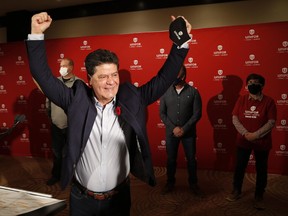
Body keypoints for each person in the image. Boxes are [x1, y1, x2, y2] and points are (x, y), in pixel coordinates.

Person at [26, 12, 191, 216]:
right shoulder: (76, 99)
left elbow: (164, 79)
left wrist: (180, 43)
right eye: (103, 77)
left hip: (119, 199)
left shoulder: (131, 98)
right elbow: (42, 76)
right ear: (90, 80)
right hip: (81, 199)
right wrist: (35, 34)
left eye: (114, 75)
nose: (111, 82)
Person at [226, 73, 277, 210]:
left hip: (262, 142)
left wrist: (255, 135)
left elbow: (271, 122)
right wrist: (245, 133)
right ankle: (236, 190)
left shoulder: (269, 101)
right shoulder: (242, 99)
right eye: (249, 82)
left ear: (262, 85)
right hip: (243, 141)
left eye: (255, 82)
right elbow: (235, 118)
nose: (252, 84)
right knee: (240, 167)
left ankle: (259, 195)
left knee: (261, 169)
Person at [159, 65, 203, 196]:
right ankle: (170, 183)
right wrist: (174, 128)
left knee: (191, 160)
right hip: (171, 134)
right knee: (171, 159)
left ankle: (193, 184)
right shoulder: (165, 92)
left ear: (183, 76)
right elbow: (162, 113)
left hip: (188, 134)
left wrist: (184, 129)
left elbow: (197, 114)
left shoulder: (193, 92)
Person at [45, 58, 82, 186]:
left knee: (72, 152)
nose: (61, 68)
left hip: (73, 126)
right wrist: (52, 117)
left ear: (71, 67)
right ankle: (56, 175)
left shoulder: (79, 83)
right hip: (56, 124)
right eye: (60, 66)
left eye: (64, 66)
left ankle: (73, 177)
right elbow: (48, 103)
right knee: (57, 152)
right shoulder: (54, 82)